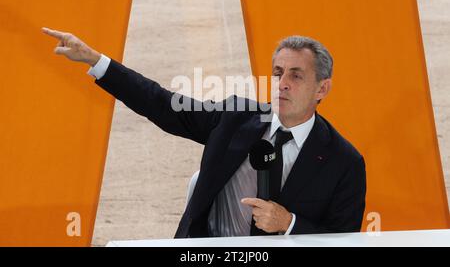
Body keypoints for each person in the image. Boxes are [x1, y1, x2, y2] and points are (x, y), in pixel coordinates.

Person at [42, 27, 366, 238]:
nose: (282, 83)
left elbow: (343, 240)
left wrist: (289, 224)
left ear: (322, 88)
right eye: (278, 72)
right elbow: (163, 104)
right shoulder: (236, 118)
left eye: (296, 75)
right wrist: (96, 61)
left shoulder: (344, 161)